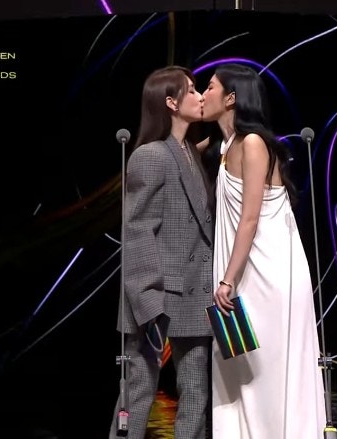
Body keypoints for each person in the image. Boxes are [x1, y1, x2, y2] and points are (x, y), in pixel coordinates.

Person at [200, 63, 327, 438]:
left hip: (269, 275)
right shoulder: (225, 147)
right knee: (238, 369)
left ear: (231, 98)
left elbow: (250, 218)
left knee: (269, 371)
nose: (203, 94)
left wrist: (227, 279)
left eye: (209, 87)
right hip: (242, 274)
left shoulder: (253, 143)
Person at [109, 65, 214, 439]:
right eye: (191, 90)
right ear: (170, 102)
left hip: (194, 292)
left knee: (196, 389)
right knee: (139, 390)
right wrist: (146, 300)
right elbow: (138, 231)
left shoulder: (189, 153)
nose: (199, 96)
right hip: (156, 294)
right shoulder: (150, 155)